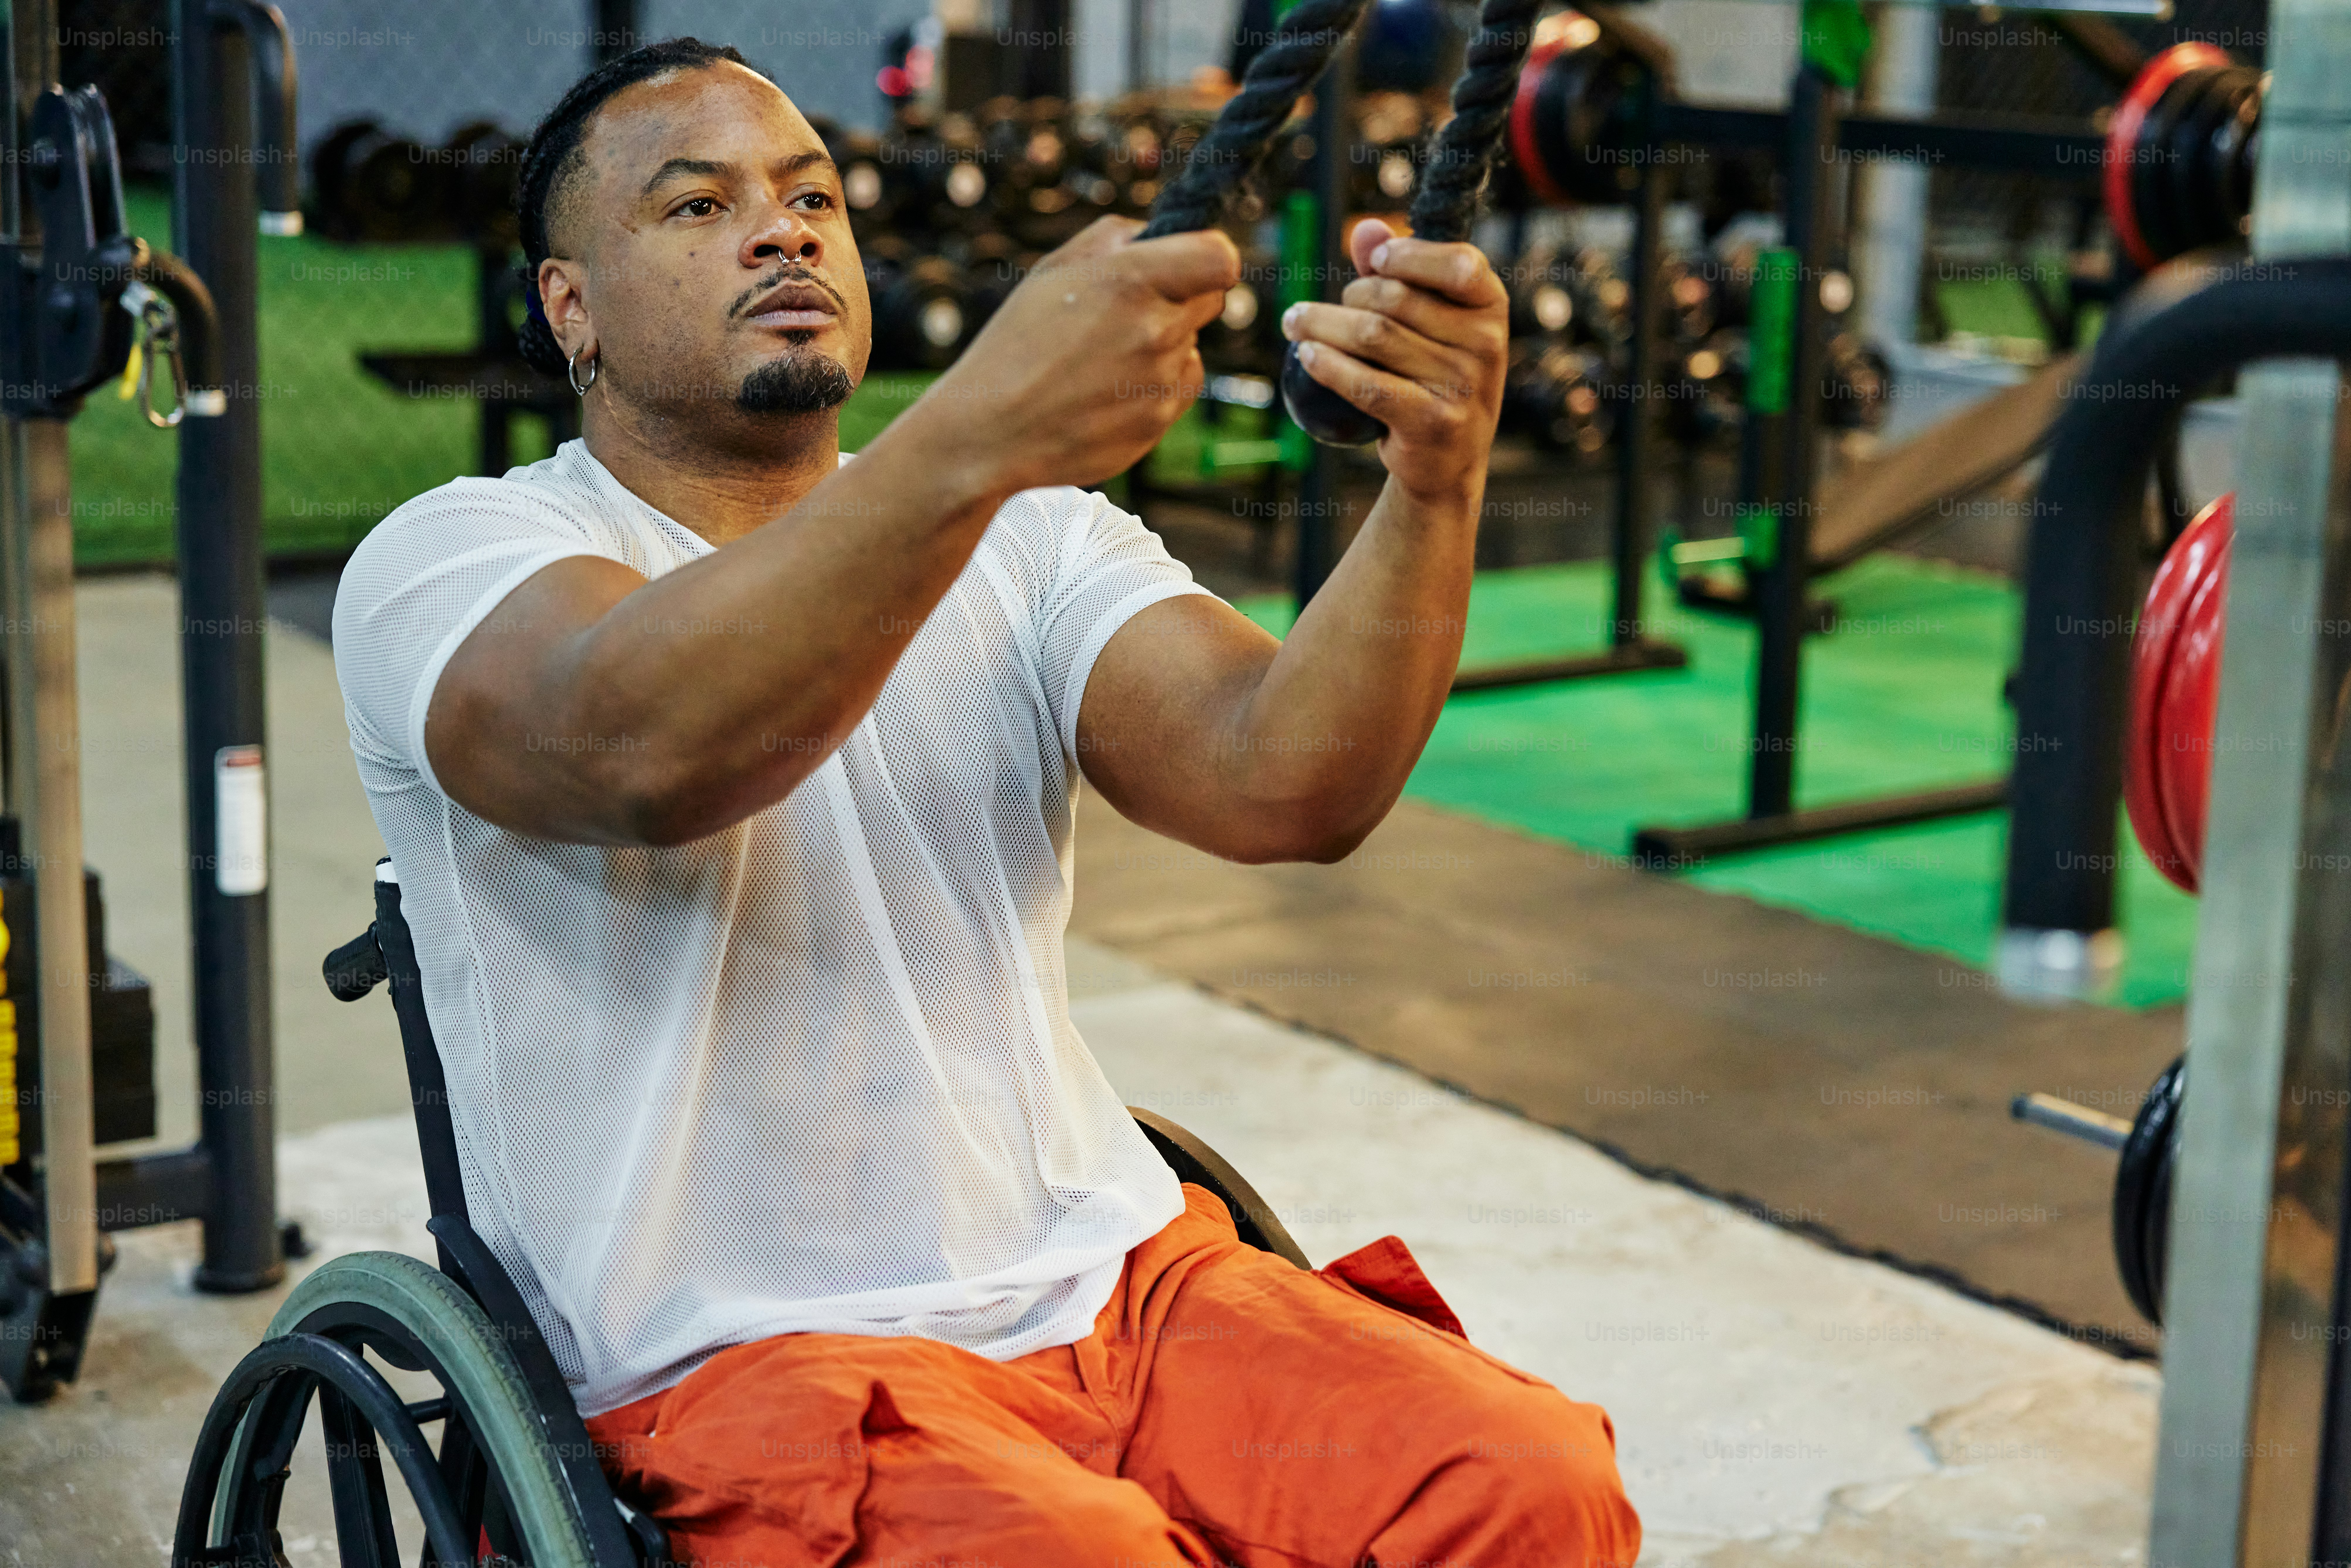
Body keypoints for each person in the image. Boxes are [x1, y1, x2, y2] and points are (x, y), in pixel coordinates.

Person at [332, 35, 1639, 1568]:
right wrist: (978, 434)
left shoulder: (1030, 540)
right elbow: (639, 747)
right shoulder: (458, 554)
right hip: (746, 1360)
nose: (782, 229)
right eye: (696, 208)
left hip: (1119, 1283)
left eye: (811, 196)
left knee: (1528, 1483)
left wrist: (1432, 482)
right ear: (573, 311)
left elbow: (1288, 783)